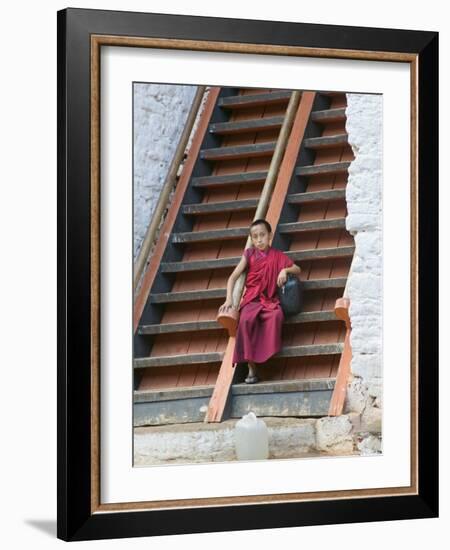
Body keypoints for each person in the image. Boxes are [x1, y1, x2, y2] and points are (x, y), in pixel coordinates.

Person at [218, 219, 302, 384]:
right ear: (252, 239)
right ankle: (251, 368)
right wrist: (229, 298)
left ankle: (265, 359)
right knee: (246, 321)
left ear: (270, 235)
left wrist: (284, 270)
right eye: (255, 237)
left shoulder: (277, 256)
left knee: (276, 316)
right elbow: (233, 277)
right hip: (251, 300)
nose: (259, 240)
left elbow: (297, 269)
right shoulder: (249, 254)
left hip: (269, 300)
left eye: (262, 235)